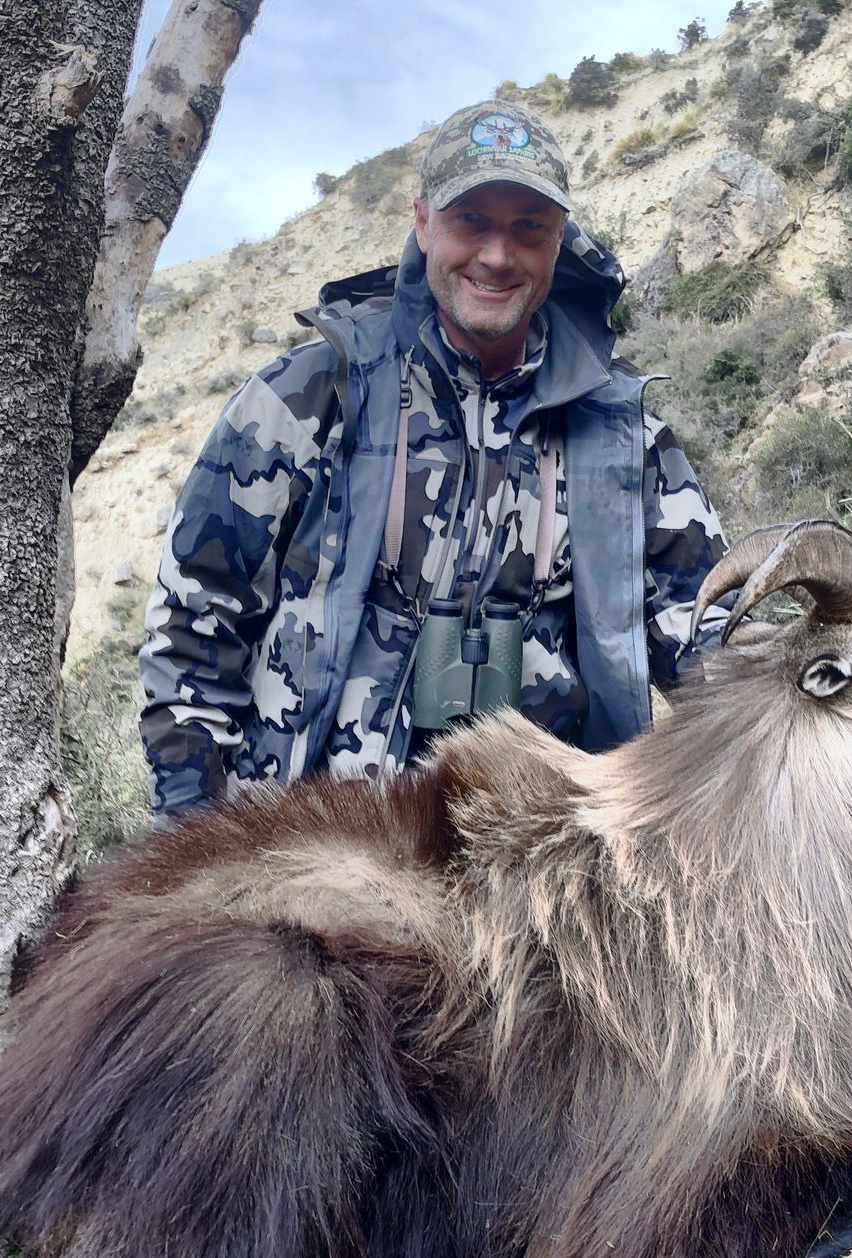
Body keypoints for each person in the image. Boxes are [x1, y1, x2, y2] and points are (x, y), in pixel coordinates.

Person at [139, 99, 727, 815]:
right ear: (422, 223)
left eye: (528, 229)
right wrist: (190, 840)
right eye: (471, 222)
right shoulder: (307, 397)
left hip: (526, 864)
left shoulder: (625, 438)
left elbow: (712, 643)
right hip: (307, 849)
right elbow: (194, 623)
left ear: (559, 239)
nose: (497, 255)